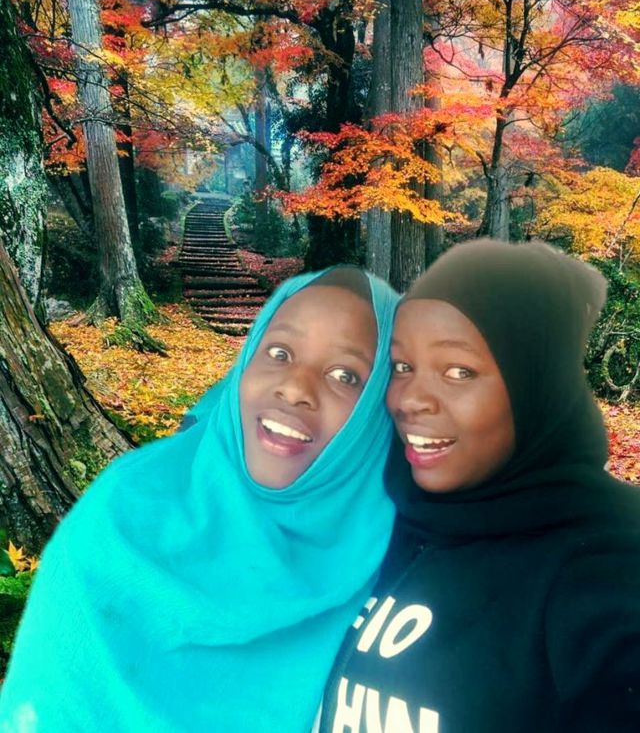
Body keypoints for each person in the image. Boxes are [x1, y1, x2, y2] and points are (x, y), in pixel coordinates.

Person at [0, 267, 399, 732]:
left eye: (345, 375)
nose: (295, 388)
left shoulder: (419, 551)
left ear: (380, 403)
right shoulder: (124, 515)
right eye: (279, 352)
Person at [319, 240, 640, 733]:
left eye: (458, 371)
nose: (409, 399)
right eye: (402, 366)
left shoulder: (603, 565)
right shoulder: (381, 515)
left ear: (537, 388)